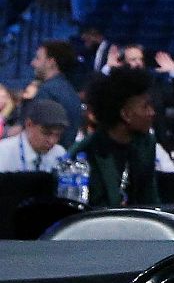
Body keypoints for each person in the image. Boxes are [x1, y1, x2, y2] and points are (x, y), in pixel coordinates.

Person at [70, 67, 160, 206]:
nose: (152, 112)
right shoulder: (85, 153)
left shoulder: (146, 143)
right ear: (126, 115)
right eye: (145, 107)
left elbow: (150, 197)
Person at [28, 40, 81, 149]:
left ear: (51, 62)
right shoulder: (70, 91)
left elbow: (35, 136)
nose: (33, 63)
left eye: (38, 58)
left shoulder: (47, 91)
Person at [0, 100, 68, 172]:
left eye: (58, 135)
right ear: (29, 124)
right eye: (46, 133)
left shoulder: (59, 153)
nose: (52, 141)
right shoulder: (3, 152)